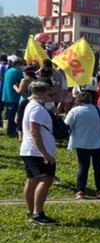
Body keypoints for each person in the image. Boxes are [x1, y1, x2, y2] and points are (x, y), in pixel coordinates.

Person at [20, 81, 59, 225]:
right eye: (50, 94)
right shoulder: (37, 109)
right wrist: (45, 153)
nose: (52, 97)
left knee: (32, 180)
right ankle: (37, 213)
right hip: (36, 151)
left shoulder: (32, 106)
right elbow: (35, 131)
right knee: (46, 179)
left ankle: (32, 212)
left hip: (30, 150)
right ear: (41, 94)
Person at [64, 88, 100, 200]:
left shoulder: (75, 111)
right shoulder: (98, 109)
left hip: (82, 143)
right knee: (98, 167)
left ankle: (81, 190)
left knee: (83, 167)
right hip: (98, 142)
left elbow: (67, 125)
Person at [3, 56, 25, 138]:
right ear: (18, 64)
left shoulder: (9, 70)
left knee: (9, 115)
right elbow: (23, 81)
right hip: (13, 97)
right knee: (13, 115)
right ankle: (11, 131)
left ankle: (10, 130)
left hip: (7, 96)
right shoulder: (17, 72)